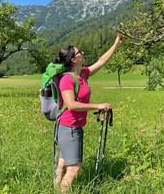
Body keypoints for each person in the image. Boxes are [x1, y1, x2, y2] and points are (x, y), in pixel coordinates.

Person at [53, 35, 123, 193]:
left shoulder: (83, 74)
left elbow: (101, 62)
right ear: (73, 60)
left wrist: (115, 44)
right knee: (74, 169)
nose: (83, 53)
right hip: (69, 128)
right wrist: (98, 105)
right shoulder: (67, 80)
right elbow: (71, 104)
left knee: (63, 162)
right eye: (79, 53)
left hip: (72, 128)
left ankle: (55, 188)